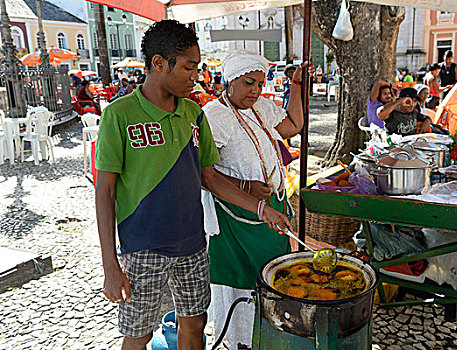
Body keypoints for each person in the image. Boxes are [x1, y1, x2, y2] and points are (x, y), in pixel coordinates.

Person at [94, 21, 292, 350]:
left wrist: (262, 209)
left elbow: (209, 177)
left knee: (195, 323)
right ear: (159, 63)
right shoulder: (120, 114)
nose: (195, 76)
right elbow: (105, 191)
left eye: (197, 68)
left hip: (192, 244)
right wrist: (110, 266)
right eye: (188, 67)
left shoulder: (193, 114)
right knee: (139, 333)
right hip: (143, 247)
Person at [203, 50, 312, 349]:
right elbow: (203, 174)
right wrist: (244, 186)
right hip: (236, 216)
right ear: (230, 80)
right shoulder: (215, 115)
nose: (255, 90)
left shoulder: (261, 106)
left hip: (270, 209)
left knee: (273, 275)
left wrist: (298, 86)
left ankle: (271, 335)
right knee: (242, 280)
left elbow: (292, 126)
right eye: (249, 83)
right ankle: (239, 341)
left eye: (260, 84)